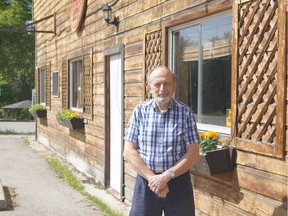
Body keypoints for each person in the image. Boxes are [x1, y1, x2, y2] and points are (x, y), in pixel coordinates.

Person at [123, 65, 200, 216]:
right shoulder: (140, 112)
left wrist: (166, 176)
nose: (162, 88)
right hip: (146, 183)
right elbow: (129, 151)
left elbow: (194, 153)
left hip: (178, 182)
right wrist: (154, 179)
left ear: (174, 86)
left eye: (167, 83)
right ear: (149, 87)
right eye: (157, 84)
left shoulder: (186, 114)